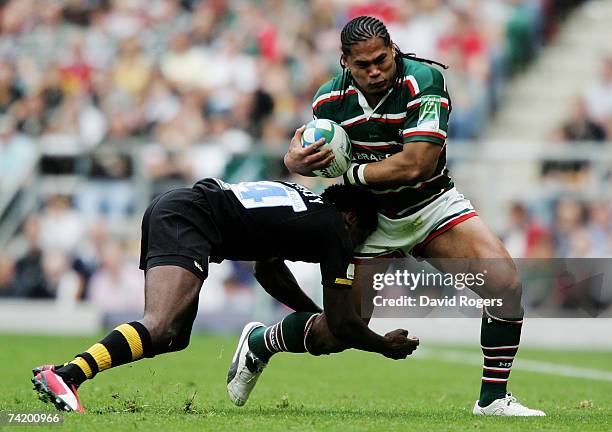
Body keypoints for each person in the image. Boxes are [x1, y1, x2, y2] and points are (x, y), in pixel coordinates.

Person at [282, 16, 545, 416]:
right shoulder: (328, 101)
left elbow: (416, 164)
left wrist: (350, 173)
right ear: (345, 63)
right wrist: (293, 159)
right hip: (369, 219)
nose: (374, 71)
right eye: (363, 65)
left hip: (430, 206)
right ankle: (261, 342)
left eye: (381, 60)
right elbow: (304, 154)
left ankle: (492, 399)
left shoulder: (423, 81)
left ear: (394, 50)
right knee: (339, 333)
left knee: (505, 285)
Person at [31, 178, 418, 412]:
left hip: (179, 208)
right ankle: (67, 376)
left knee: (174, 337)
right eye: (362, 234)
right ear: (352, 219)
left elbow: (268, 270)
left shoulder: (304, 205)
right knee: (161, 324)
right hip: (188, 219)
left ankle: (62, 372)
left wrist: (311, 313)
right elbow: (344, 323)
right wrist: (383, 345)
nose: (357, 244)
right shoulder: (335, 228)